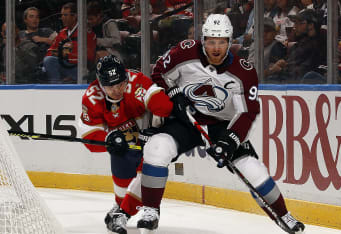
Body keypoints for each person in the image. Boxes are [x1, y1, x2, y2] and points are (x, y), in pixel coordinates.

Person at [136, 14, 305, 233]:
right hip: (187, 119)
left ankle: (284, 215)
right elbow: (159, 72)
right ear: (203, 39)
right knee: (156, 148)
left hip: (222, 125)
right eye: (211, 41)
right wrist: (173, 92)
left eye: (222, 42)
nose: (216, 48)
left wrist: (230, 140)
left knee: (253, 170)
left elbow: (247, 112)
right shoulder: (184, 52)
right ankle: (150, 210)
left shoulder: (244, 73)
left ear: (230, 41)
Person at [78, 55, 173, 234]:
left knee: (148, 171)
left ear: (126, 77)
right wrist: (108, 140)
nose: (116, 90)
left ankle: (126, 211)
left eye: (120, 84)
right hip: (125, 147)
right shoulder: (92, 97)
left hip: (150, 142)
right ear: (100, 83)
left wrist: (158, 121)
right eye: (110, 86)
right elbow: (89, 136)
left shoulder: (137, 82)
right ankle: (121, 206)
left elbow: (163, 105)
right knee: (119, 160)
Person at [43, 2, 97, 84]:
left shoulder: (86, 33)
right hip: (64, 65)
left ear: (74, 16)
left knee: (50, 61)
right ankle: (56, 87)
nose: (62, 18)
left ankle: (56, 88)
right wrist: (61, 54)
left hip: (79, 69)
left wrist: (66, 55)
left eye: (65, 15)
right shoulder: (62, 32)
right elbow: (50, 52)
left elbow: (89, 56)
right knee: (48, 60)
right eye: (61, 15)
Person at [248, 17, 287, 82]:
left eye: (267, 31)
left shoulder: (277, 47)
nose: (263, 34)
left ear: (275, 33)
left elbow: (273, 72)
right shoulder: (253, 45)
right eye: (260, 31)